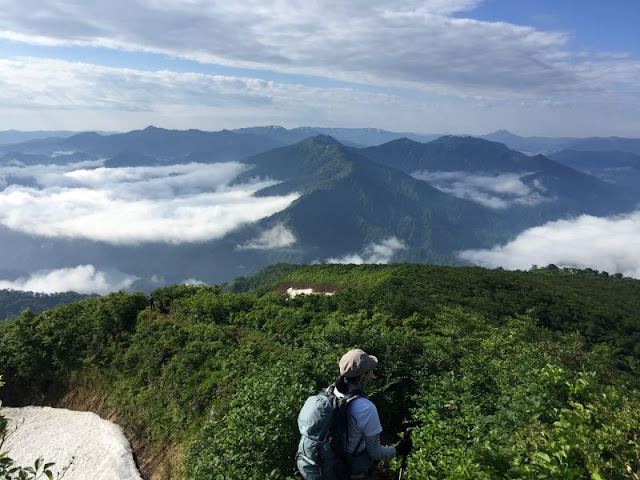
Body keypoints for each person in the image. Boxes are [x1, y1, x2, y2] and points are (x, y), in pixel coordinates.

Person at [334, 348, 412, 479]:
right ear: (363, 376)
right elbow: (375, 452)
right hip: (351, 471)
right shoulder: (366, 408)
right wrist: (398, 450)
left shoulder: (331, 393)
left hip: (328, 464)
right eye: (371, 370)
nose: (372, 374)